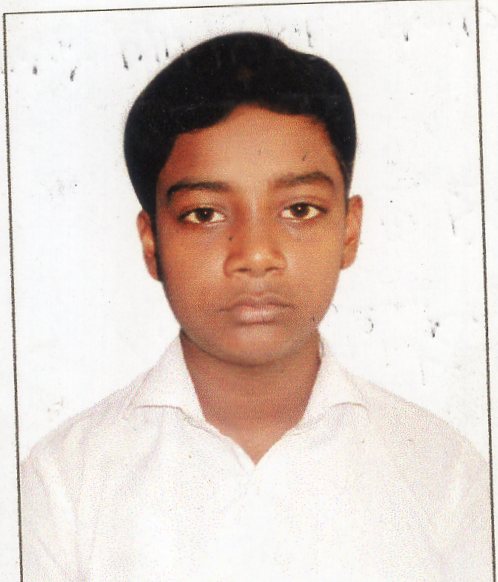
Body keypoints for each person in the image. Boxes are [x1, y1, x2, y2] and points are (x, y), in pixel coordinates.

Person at [21, 32, 492, 581]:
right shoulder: (62, 485)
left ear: (349, 230)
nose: (255, 255)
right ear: (151, 243)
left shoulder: (444, 476)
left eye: (299, 209)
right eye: (204, 214)